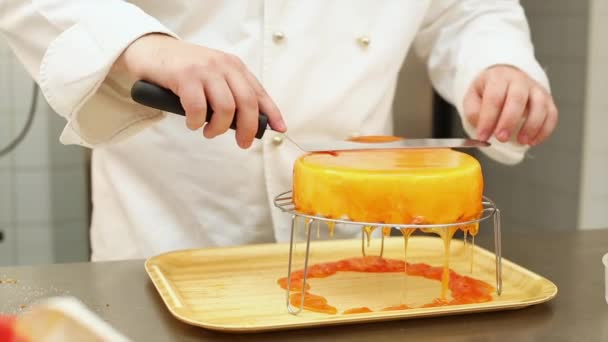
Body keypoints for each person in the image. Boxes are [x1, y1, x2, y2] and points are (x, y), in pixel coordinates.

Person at [0, 1, 558, 261]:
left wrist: (498, 61)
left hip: (360, 237)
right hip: (168, 226)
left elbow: (468, 10)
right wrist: (141, 45)